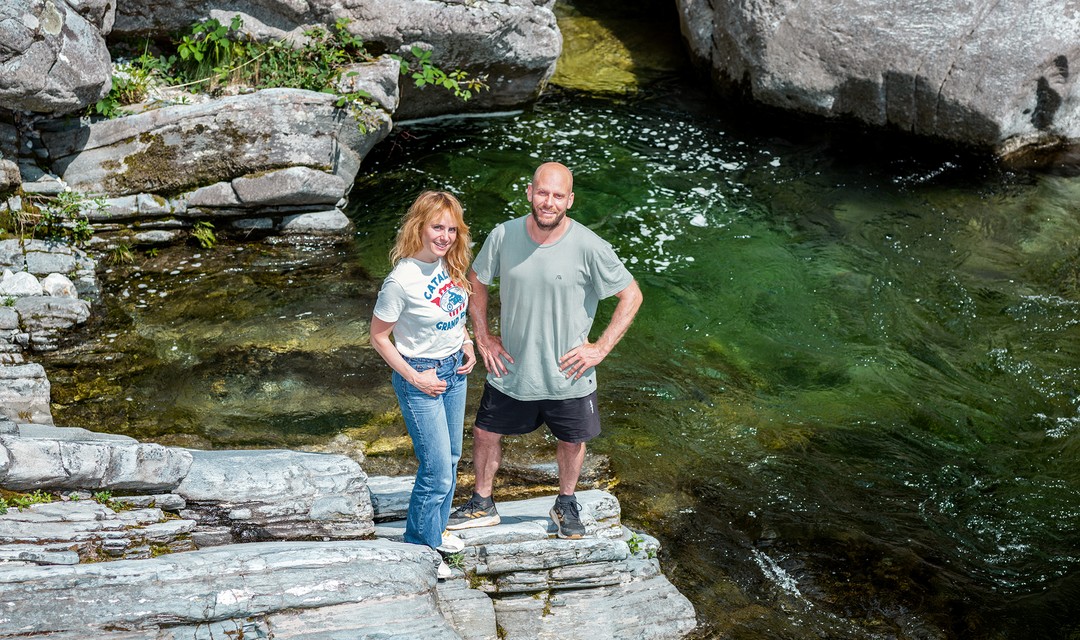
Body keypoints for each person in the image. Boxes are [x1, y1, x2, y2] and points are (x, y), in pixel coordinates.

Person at [446, 162, 643, 539]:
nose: (548, 202)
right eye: (542, 193)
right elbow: (476, 281)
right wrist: (484, 336)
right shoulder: (504, 236)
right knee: (486, 432)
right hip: (513, 369)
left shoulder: (590, 246)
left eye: (557, 195)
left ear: (569, 200)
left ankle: (565, 503)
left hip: (569, 374)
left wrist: (600, 348)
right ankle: (483, 503)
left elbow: (631, 296)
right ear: (529, 193)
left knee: (572, 440)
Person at [370, 190, 476, 578]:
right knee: (436, 470)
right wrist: (414, 376)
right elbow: (379, 337)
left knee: (450, 458)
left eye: (451, 228)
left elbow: (455, 313)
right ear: (420, 226)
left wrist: (467, 343)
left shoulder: (453, 265)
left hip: (453, 370)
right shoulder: (401, 280)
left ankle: (436, 529)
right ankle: (420, 546)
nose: (445, 235)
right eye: (437, 227)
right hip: (420, 375)